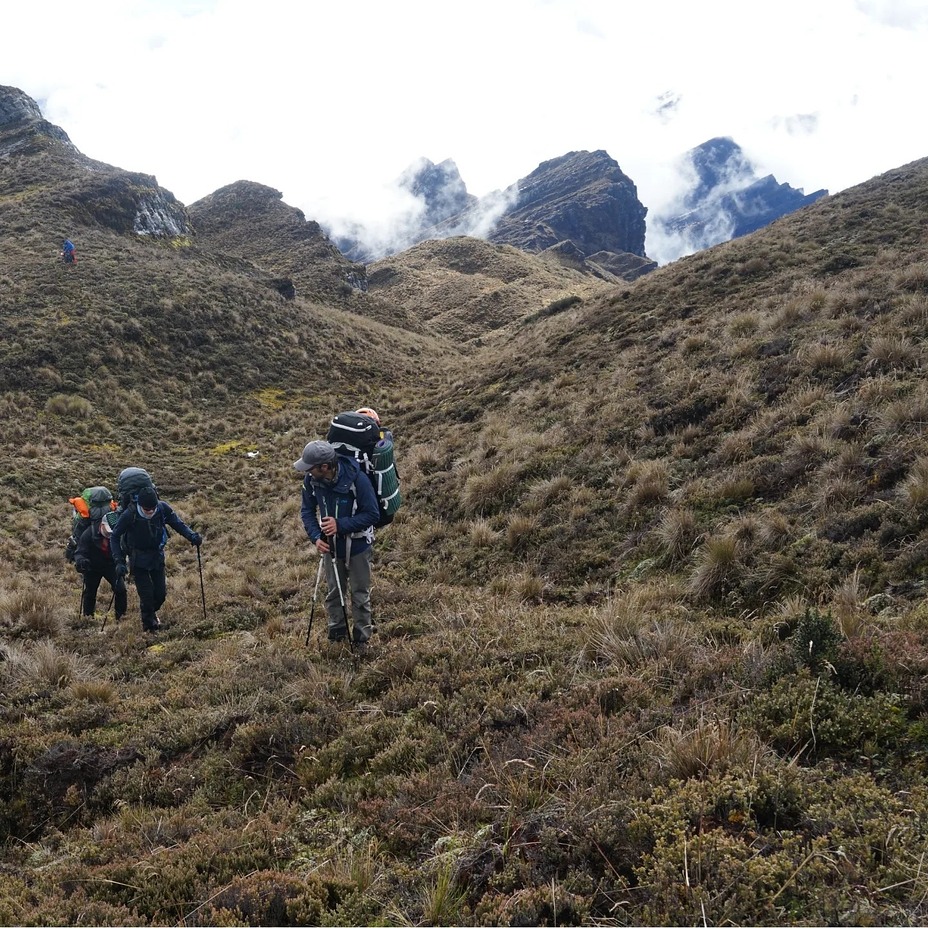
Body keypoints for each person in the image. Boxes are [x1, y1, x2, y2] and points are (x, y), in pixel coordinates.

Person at [295, 439, 379, 653]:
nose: (307, 472)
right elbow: (307, 511)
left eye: (311, 468)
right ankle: (337, 636)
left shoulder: (357, 479)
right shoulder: (311, 481)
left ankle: (362, 640)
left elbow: (372, 514)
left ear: (324, 467)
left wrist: (340, 525)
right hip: (330, 546)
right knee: (334, 592)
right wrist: (316, 537)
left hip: (358, 545)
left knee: (359, 594)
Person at [110, 485, 202, 633]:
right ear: (140, 505)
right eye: (147, 509)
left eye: (153, 508)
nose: (151, 511)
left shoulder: (162, 508)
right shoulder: (130, 514)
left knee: (160, 595)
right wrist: (119, 561)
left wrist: (192, 536)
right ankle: (150, 628)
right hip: (138, 560)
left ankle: (150, 614)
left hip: (156, 557)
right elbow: (114, 537)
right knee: (146, 596)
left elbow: (178, 524)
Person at [74, 511, 127, 622]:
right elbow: (80, 552)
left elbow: (126, 550)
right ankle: (88, 618)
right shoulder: (89, 533)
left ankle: (121, 617)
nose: (109, 535)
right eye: (107, 532)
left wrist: (122, 564)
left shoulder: (119, 535)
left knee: (121, 590)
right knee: (90, 592)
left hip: (112, 566)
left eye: (112, 533)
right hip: (92, 566)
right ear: (102, 525)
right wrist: (81, 561)